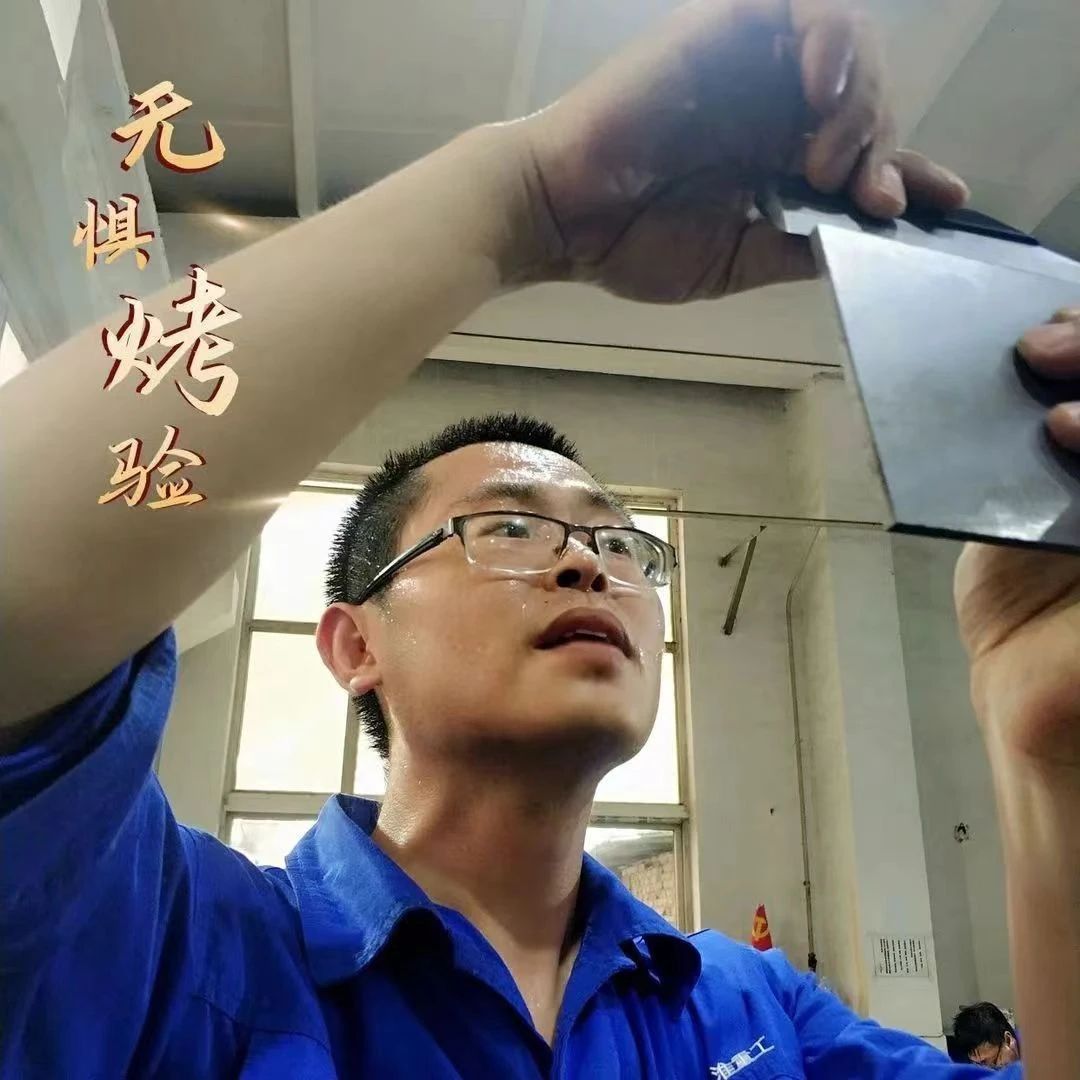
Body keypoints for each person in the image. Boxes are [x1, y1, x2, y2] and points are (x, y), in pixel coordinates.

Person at [1, 0, 1078, 1076]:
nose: (586, 564)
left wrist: (1044, 751)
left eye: (622, 545)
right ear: (354, 644)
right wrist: (523, 200)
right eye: (511, 525)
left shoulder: (755, 1010)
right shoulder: (181, 949)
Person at [951, 1003, 1021, 1070]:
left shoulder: (1026, 1045)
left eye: (994, 1061)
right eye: (978, 1064)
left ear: (1008, 1040)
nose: (986, 1070)